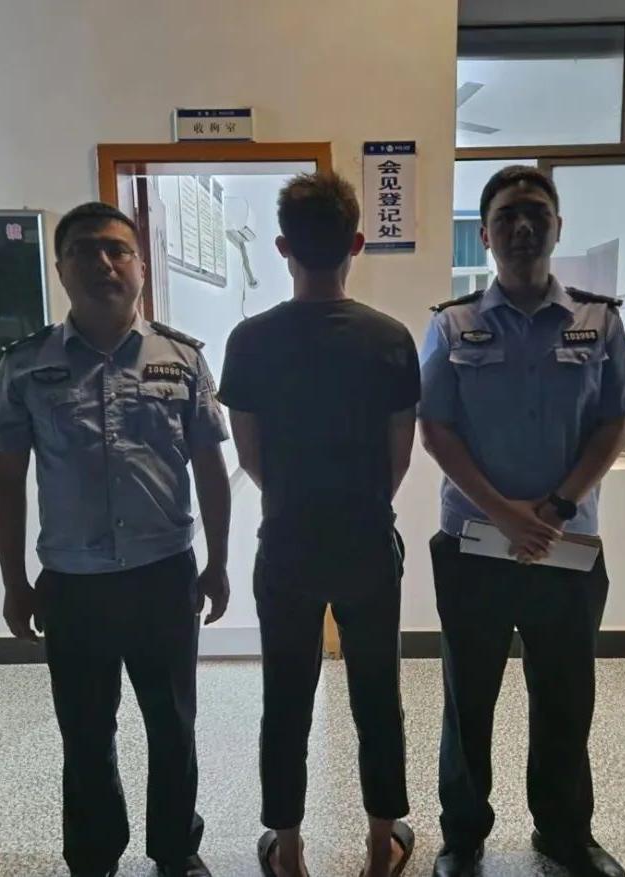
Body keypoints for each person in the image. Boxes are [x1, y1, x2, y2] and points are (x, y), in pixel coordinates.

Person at [0, 202, 231, 877]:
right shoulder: (25, 366)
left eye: (118, 250)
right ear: (61, 268)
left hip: (163, 574)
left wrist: (218, 563)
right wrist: (13, 582)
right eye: (85, 250)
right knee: (86, 732)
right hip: (74, 584)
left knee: (173, 724)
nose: (104, 263)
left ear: (141, 267)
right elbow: (6, 483)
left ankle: (176, 848)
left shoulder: (181, 358)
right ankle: (94, 856)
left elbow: (211, 469)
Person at [419, 166, 625, 877]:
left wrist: (553, 508)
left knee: (566, 695)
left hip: (566, 545)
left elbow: (613, 422)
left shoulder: (599, 321)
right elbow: (436, 428)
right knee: (468, 699)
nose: (522, 227)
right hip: (474, 545)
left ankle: (564, 832)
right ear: (485, 234)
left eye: (536, 215)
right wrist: (503, 512)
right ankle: (463, 836)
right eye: (507, 216)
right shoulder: (451, 323)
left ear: (557, 228)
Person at [218, 172, 420, 877]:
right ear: (356, 243)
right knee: (378, 695)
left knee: (285, 697)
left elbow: (250, 454)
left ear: (283, 247)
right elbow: (400, 454)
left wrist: (297, 499)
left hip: (288, 544)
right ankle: (380, 846)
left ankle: (289, 850)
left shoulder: (249, 341)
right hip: (366, 540)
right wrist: (358, 503)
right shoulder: (390, 339)